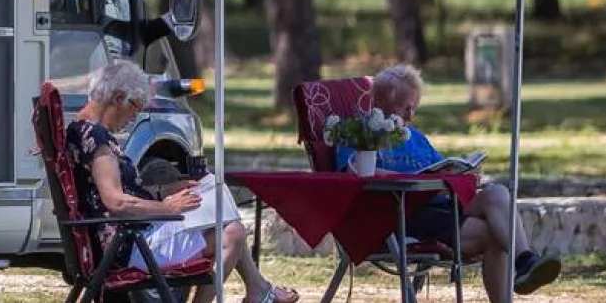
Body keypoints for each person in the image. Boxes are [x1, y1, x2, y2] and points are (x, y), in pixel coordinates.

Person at [67, 60, 299, 303]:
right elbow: (116, 202)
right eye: (135, 108)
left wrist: (164, 191)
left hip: (130, 236)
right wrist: (167, 207)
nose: (134, 117)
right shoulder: (97, 139)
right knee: (233, 233)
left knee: (221, 208)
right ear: (117, 97)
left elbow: (112, 193)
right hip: (129, 245)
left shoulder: (82, 130)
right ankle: (257, 288)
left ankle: (257, 288)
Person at [337, 64, 561, 301]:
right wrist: (413, 180)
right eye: (405, 107)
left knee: (496, 192)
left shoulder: (415, 137)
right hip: (405, 216)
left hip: (443, 204)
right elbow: (355, 171)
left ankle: (525, 260)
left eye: (414, 108)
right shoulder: (359, 133)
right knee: (496, 234)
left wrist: (462, 171)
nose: (411, 116)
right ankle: (520, 271)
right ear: (380, 101)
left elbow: (441, 168)